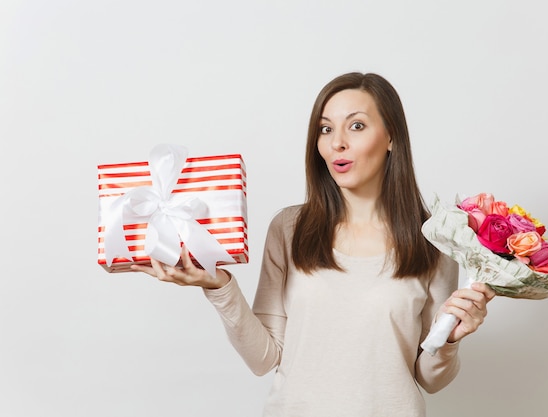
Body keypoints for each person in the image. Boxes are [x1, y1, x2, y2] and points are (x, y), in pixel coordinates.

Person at [131, 72, 495, 416]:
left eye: (356, 125)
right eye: (325, 128)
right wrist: (219, 286)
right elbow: (263, 358)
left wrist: (450, 339)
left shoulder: (434, 240)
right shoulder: (291, 228)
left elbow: (430, 378)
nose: (337, 142)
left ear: (391, 137)